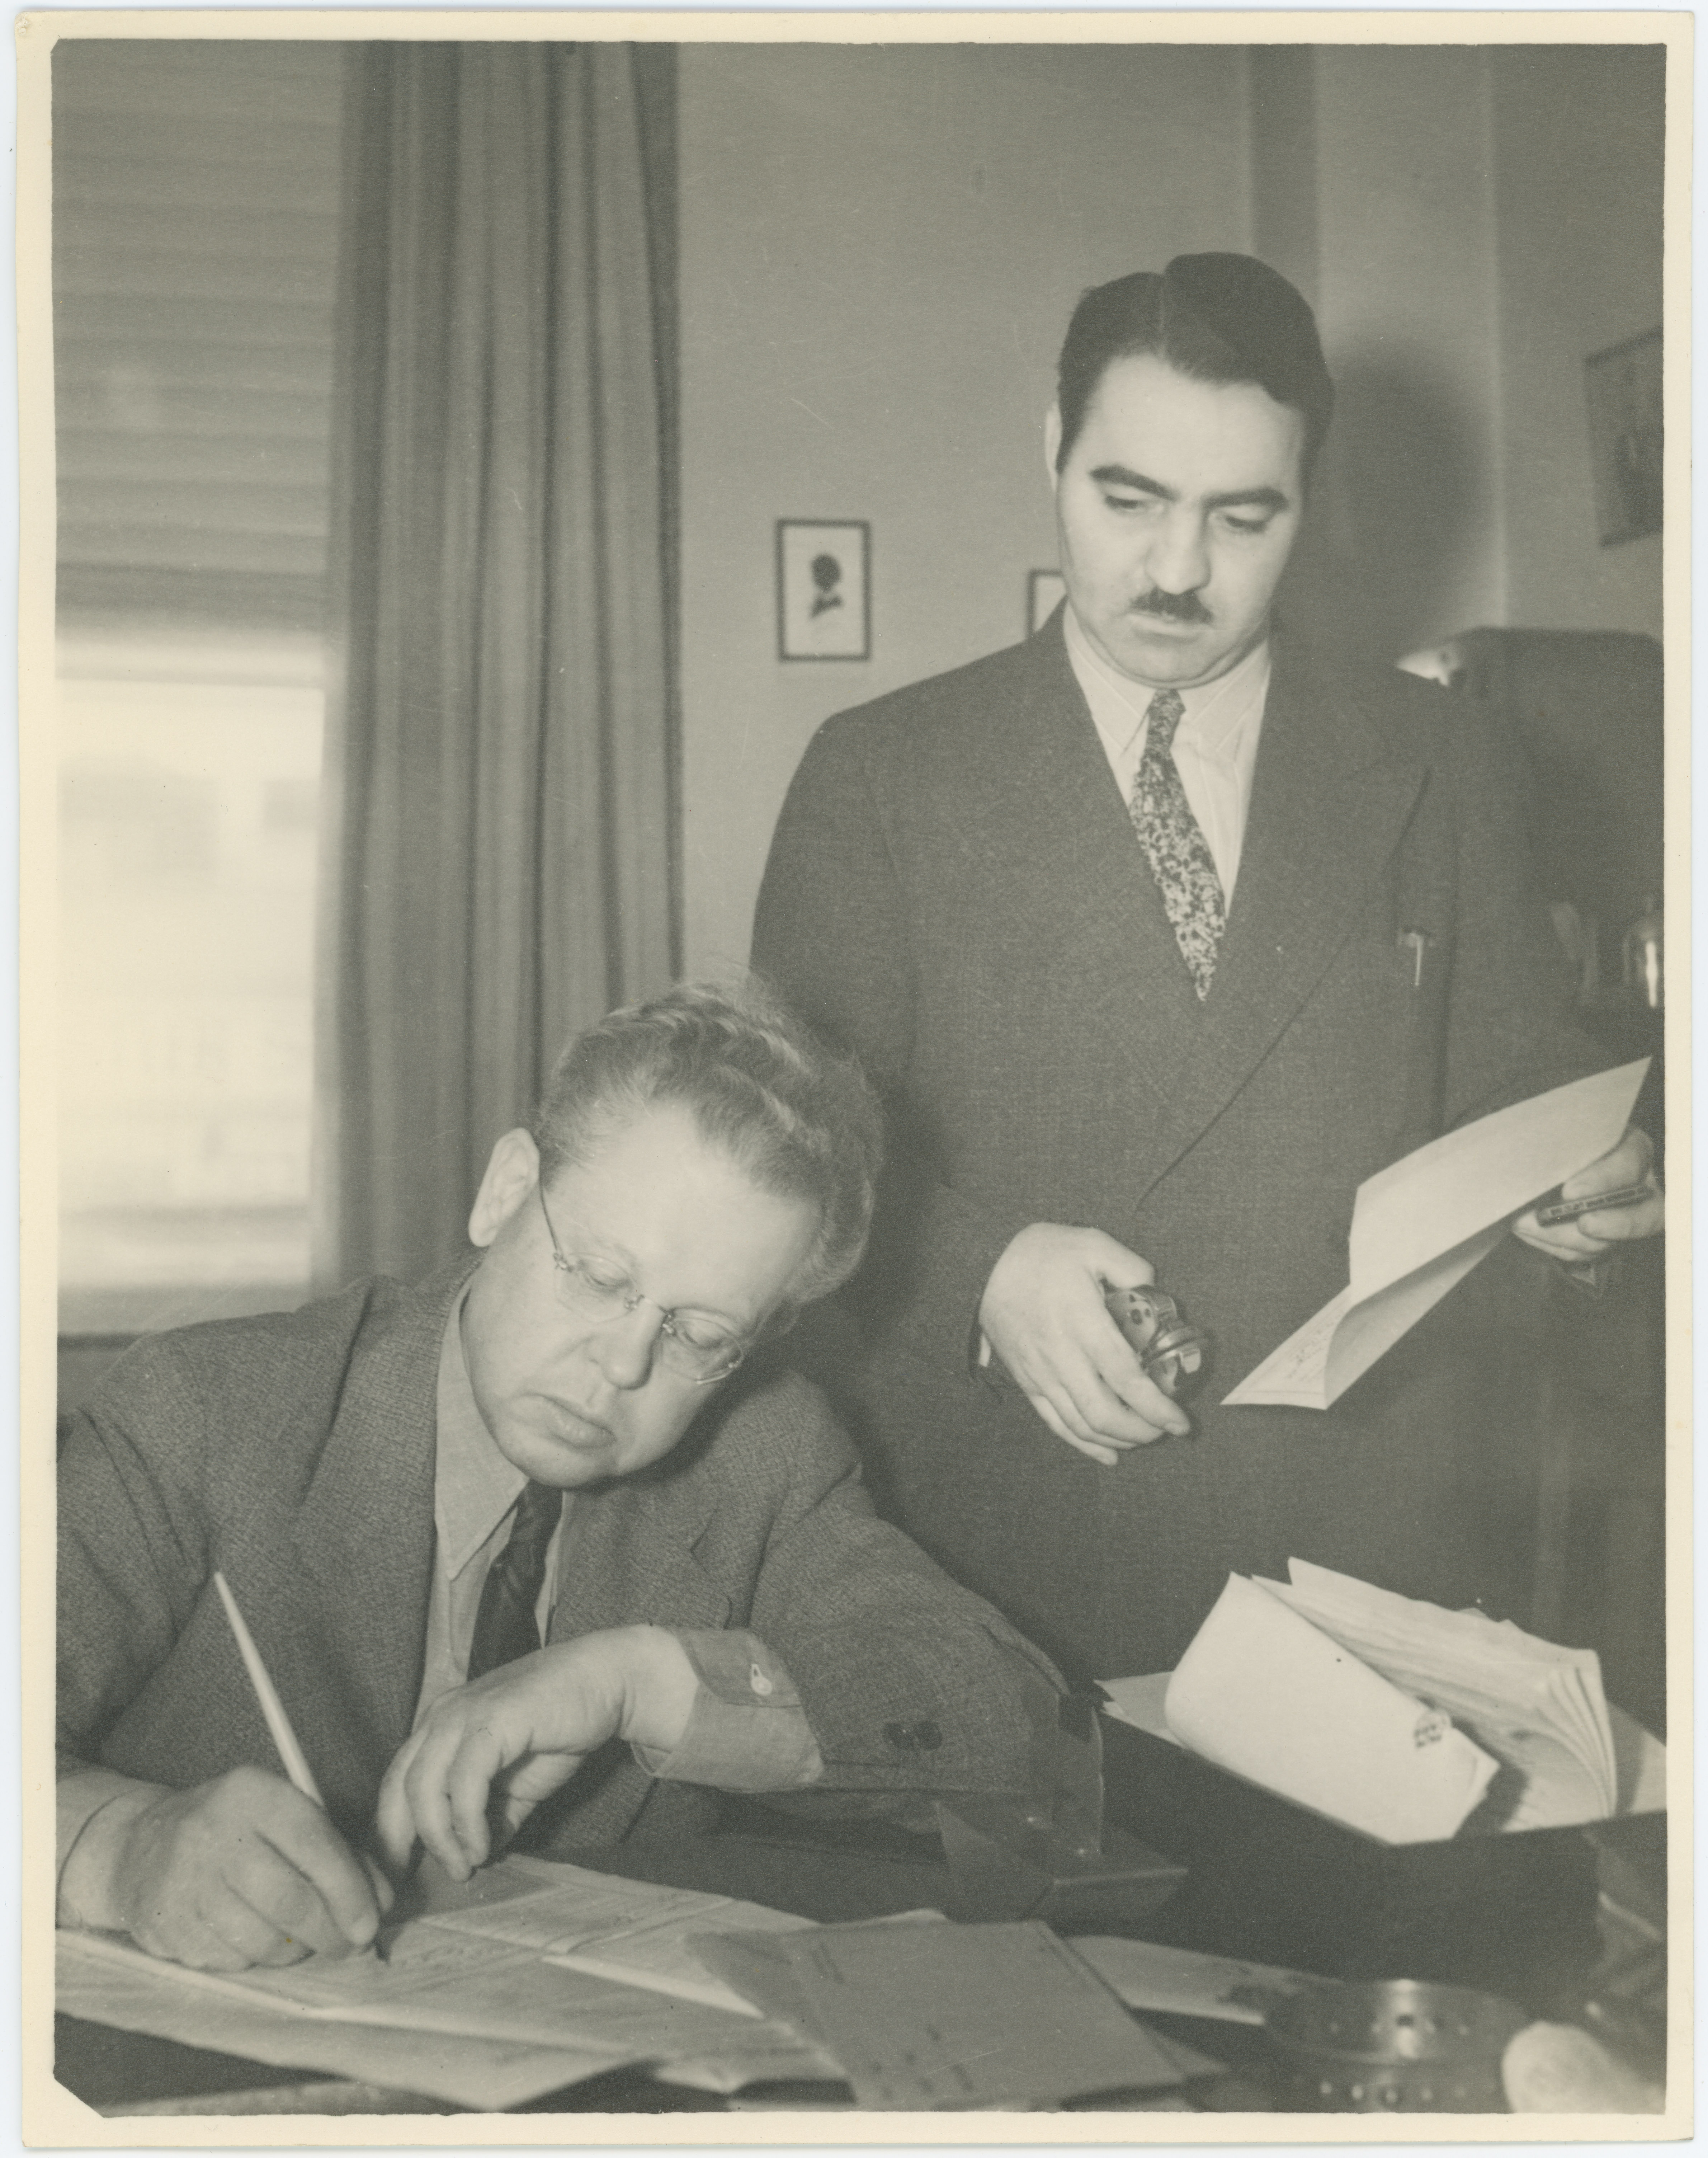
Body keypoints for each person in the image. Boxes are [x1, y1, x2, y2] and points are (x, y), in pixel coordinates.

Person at [752, 253, 1662, 1686]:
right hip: (999, 1568)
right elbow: (783, 1168)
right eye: (1129, 501)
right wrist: (979, 1277)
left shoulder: (1446, 758)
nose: (1178, 572)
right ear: (1052, 453)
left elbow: (1521, 1070)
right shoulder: (880, 776)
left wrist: (1591, 1172)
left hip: (1362, 1564)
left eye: (1243, 518)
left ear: (1313, 495)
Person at [57, 982, 1062, 1973]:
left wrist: (641, 1683)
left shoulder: (766, 1456)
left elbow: (1014, 1720)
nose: (622, 1365)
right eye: (601, 1277)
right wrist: (122, 1850)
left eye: (700, 1334)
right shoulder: (211, 1411)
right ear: (505, 1191)